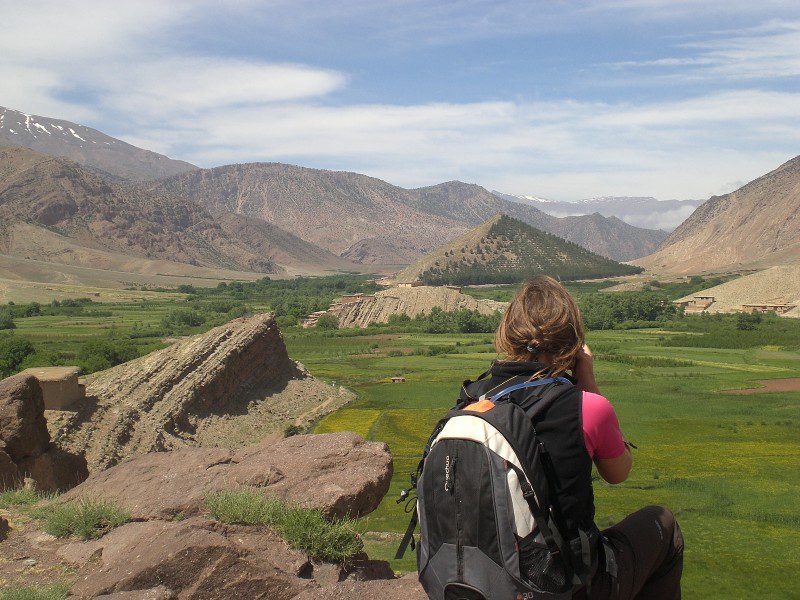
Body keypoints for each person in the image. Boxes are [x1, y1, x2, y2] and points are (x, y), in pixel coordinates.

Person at [470, 276, 684, 599]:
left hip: (486, 578)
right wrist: (587, 378)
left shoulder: (474, 403)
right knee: (664, 525)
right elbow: (619, 471)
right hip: (565, 583)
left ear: (509, 336)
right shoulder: (586, 408)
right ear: (570, 342)